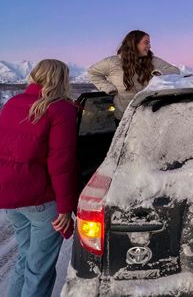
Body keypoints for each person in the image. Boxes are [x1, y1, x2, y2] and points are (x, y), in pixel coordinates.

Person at [0, 59, 78, 297]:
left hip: (10, 198)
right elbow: (61, 164)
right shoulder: (60, 109)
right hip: (41, 200)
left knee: (24, 260)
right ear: (62, 80)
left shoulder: (13, 103)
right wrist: (65, 209)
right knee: (39, 271)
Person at [88, 30, 179, 120]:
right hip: (123, 118)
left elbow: (175, 70)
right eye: (146, 43)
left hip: (148, 117)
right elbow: (92, 72)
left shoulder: (152, 61)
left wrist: (159, 73)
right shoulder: (112, 62)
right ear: (134, 43)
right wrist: (108, 88)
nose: (149, 46)